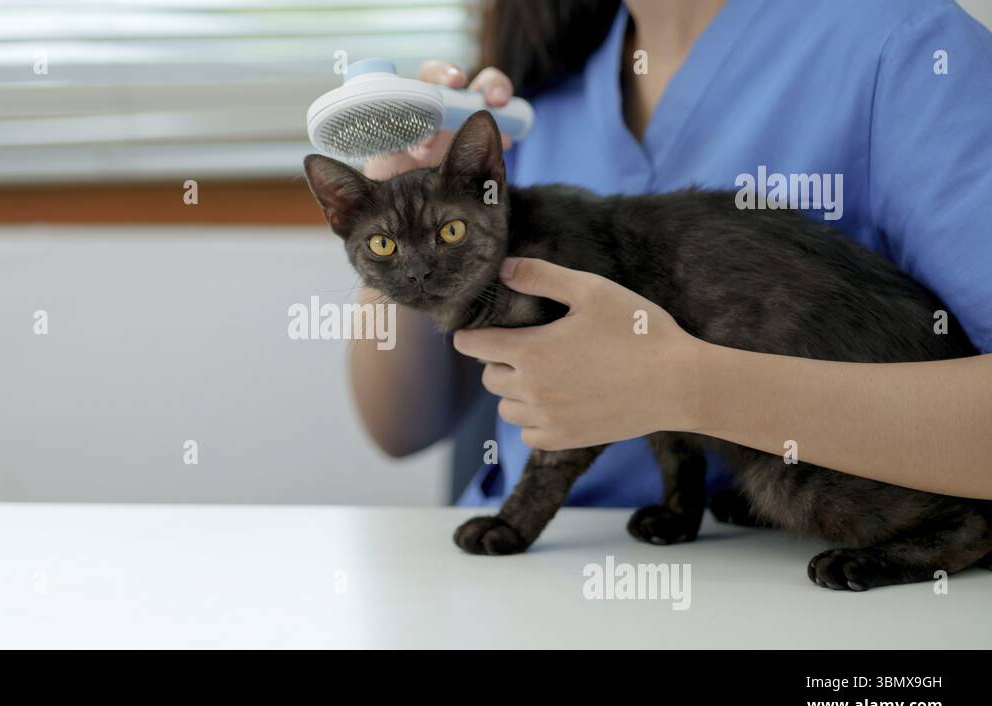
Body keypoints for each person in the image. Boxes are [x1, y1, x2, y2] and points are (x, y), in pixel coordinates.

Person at [350, 0, 992, 507]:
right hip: (522, 571)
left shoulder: (908, 49)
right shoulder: (523, 92)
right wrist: (398, 204)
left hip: (771, 568)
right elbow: (402, 430)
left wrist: (686, 387)